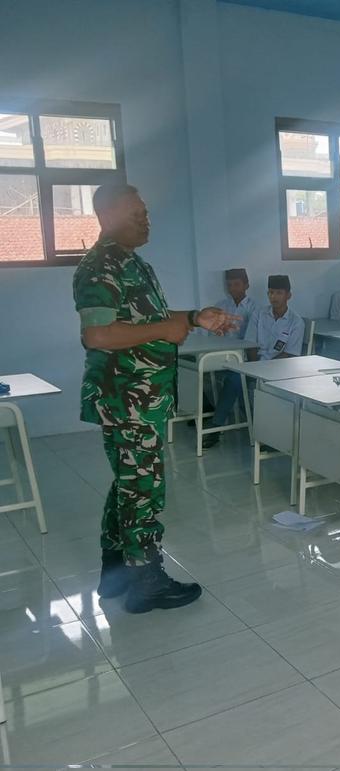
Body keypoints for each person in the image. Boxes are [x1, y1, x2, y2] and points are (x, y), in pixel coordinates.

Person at [73, 183, 238, 613]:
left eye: (146, 211)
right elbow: (98, 334)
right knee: (143, 487)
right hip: (125, 396)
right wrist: (166, 330)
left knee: (128, 483)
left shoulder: (133, 264)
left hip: (140, 396)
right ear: (108, 216)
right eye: (136, 213)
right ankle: (146, 580)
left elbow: (149, 320)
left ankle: (115, 572)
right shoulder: (99, 267)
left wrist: (192, 318)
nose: (146, 219)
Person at [205, 275, 304, 448]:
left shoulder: (296, 322)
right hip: (255, 363)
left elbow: (290, 354)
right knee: (234, 377)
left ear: (289, 295)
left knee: (241, 383)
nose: (274, 297)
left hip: (280, 369)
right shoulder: (259, 313)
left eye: (279, 293)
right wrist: (255, 367)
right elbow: (250, 344)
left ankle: (265, 431)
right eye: (271, 293)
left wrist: (265, 369)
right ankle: (217, 426)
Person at [213, 268, 258, 339]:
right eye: (229, 285)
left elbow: (253, 337)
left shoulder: (254, 307)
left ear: (246, 285)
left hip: (245, 348)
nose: (232, 288)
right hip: (223, 348)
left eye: (236, 284)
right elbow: (213, 334)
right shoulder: (220, 306)